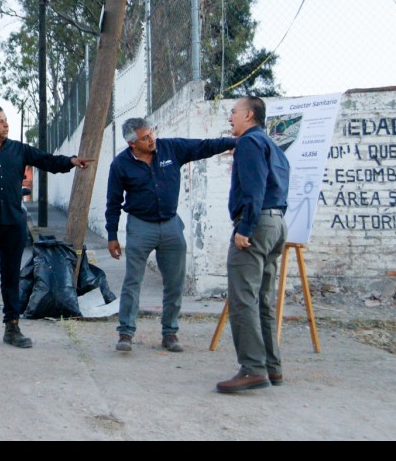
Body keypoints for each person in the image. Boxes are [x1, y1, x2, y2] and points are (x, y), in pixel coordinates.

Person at [0, 105, 92, 351]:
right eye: (0, 121)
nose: (6, 125)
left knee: (10, 277)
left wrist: (71, 161)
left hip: (13, 224)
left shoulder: (18, 149)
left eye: (6, 120)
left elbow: (46, 160)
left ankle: (12, 327)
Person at [106, 117, 236, 353]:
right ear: (132, 143)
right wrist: (112, 235)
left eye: (151, 133)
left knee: (175, 282)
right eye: (145, 137)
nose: (151, 139)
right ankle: (126, 332)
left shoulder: (171, 148)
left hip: (171, 226)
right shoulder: (120, 165)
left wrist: (233, 142)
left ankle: (170, 333)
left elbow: (203, 146)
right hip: (140, 227)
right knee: (133, 281)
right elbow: (113, 201)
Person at [216, 96, 289, 393]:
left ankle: (252, 369)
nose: (230, 117)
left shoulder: (248, 143)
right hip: (276, 224)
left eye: (234, 112)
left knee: (243, 298)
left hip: (255, 225)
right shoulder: (272, 145)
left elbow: (254, 186)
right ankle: (272, 367)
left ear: (248, 115)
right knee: (262, 299)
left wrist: (245, 227)